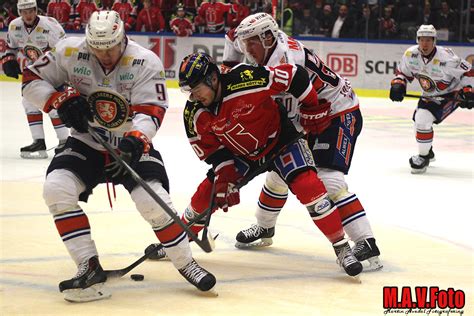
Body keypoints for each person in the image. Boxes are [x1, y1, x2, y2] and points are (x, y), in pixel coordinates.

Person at [21, 10, 216, 302]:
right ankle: (88, 266)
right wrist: (59, 100)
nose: (105, 55)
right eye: (97, 49)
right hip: (87, 141)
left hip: (129, 143)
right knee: (56, 188)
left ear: (122, 38)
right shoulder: (71, 50)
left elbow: (152, 109)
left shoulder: (144, 61)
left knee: (153, 202)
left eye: (110, 48)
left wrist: (135, 141)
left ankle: (187, 263)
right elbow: (31, 78)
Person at [176, 52, 363, 278]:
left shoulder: (245, 78)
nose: (193, 96)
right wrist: (224, 177)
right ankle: (175, 243)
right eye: (189, 91)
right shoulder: (193, 113)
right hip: (241, 155)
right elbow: (213, 151)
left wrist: (311, 106)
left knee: (310, 187)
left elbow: (295, 75)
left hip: (281, 141)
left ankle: (342, 248)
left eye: (196, 88)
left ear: (212, 79)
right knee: (206, 196)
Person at [220, 13, 382, 271]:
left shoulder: (285, 61)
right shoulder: (272, 47)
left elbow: (283, 107)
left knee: (328, 179)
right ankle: (264, 227)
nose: (247, 50)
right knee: (279, 172)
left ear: (268, 37)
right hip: (309, 112)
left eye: (252, 42)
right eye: (245, 43)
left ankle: (366, 242)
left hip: (338, 113)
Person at [390, 24, 473, 174]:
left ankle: (423, 157)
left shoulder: (447, 57)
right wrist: (398, 85)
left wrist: (468, 91)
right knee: (419, 123)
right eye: (422, 40)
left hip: (450, 94)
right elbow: (402, 73)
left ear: (434, 41)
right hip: (429, 95)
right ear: (417, 40)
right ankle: (427, 151)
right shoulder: (411, 54)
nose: (425, 43)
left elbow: (468, 72)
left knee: (422, 119)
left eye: (429, 40)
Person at [1, 0, 68, 158]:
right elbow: (10, 47)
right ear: (19, 12)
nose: (28, 15)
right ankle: (39, 141)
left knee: (51, 103)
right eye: (24, 12)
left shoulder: (50, 25)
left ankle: (65, 141)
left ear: (36, 10)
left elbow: (65, 48)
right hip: (34, 71)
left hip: (54, 70)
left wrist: (65, 74)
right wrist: (8, 60)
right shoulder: (14, 26)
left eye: (31, 11)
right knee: (29, 102)